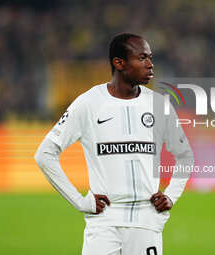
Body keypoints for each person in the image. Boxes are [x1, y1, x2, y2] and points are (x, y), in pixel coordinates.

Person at [34, 33, 193, 255]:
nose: (150, 64)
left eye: (150, 58)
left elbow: (185, 155)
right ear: (119, 63)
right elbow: (45, 154)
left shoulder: (159, 105)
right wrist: (80, 202)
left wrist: (171, 196)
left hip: (146, 223)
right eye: (142, 58)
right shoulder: (88, 103)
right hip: (104, 224)